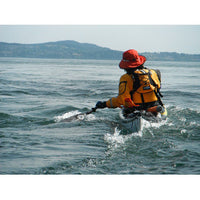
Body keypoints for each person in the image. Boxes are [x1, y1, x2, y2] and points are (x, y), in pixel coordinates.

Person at [95, 49, 166, 117]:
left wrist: (105, 104)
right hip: (156, 107)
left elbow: (122, 100)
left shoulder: (126, 78)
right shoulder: (154, 72)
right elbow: (158, 89)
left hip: (136, 111)